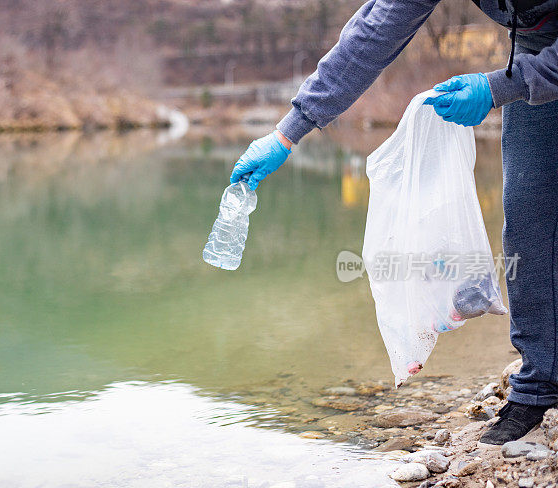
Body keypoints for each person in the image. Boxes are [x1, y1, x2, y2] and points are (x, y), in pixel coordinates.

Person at [231, 0, 558, 445]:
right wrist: (289, 130)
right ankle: (539, 384)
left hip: (539, 64)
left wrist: (502, 87)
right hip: (536, 48)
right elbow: (373, 34)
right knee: (529, 215)